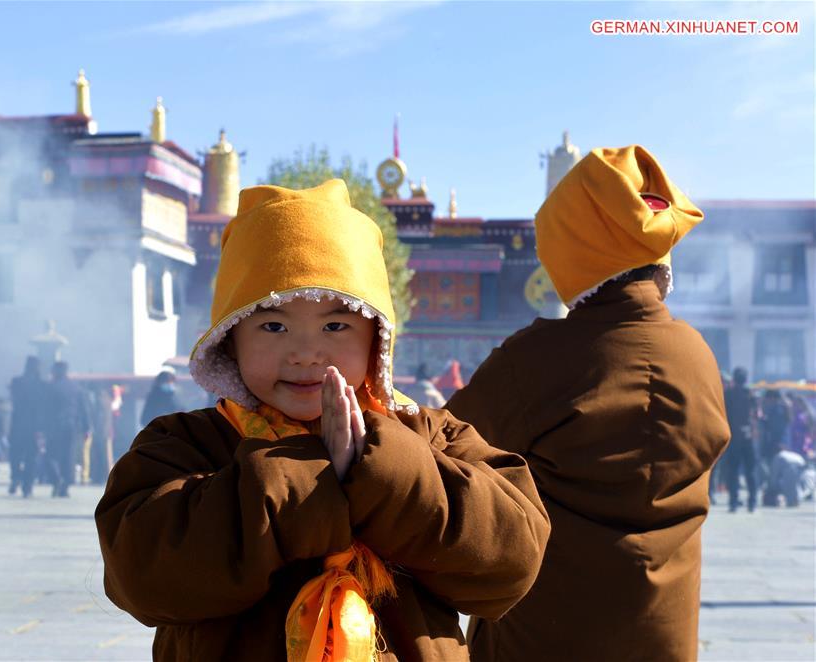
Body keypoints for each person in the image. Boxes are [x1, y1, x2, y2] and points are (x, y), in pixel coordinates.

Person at [95, 180, 550, 661]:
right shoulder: (188, 445)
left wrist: (380, 471)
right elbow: (139, 574)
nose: (306, 353)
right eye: (273, 325)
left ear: (375, 336)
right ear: (230, 339)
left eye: (336, 325)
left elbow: (511, 561)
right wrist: (308, 481)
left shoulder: (431, 435)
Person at [445, 145, 730, 662]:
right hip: (665, 631)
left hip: (547, 636)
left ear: (568, 251)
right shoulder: (698, 355)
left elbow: (445, 448)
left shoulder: (537, 361)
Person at [45, 361, 90, 497]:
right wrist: (87, 428)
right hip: (72, 427)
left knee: (51, 455)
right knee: (68, 456)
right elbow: (84, 410)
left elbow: (44, 410)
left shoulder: (50, 388)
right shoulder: (76, 388)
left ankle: (56, 479)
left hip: (54, 427)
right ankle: (66, 485)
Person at [8, 356, 47, 496]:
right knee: (31, 457)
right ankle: (27, 485)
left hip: (18, 425)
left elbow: (13, 401)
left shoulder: (16, 382)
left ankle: (15, 478)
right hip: (34, 428)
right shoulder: (42, 385)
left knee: (15, 456)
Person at [723, 367, 759, 512]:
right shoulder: (751, 394)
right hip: (748, 437)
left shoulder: (728, 394)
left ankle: (733, 502)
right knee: (750, 471)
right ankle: (752, 502)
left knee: (733, 471)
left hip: (733, 437)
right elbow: (756, 415)